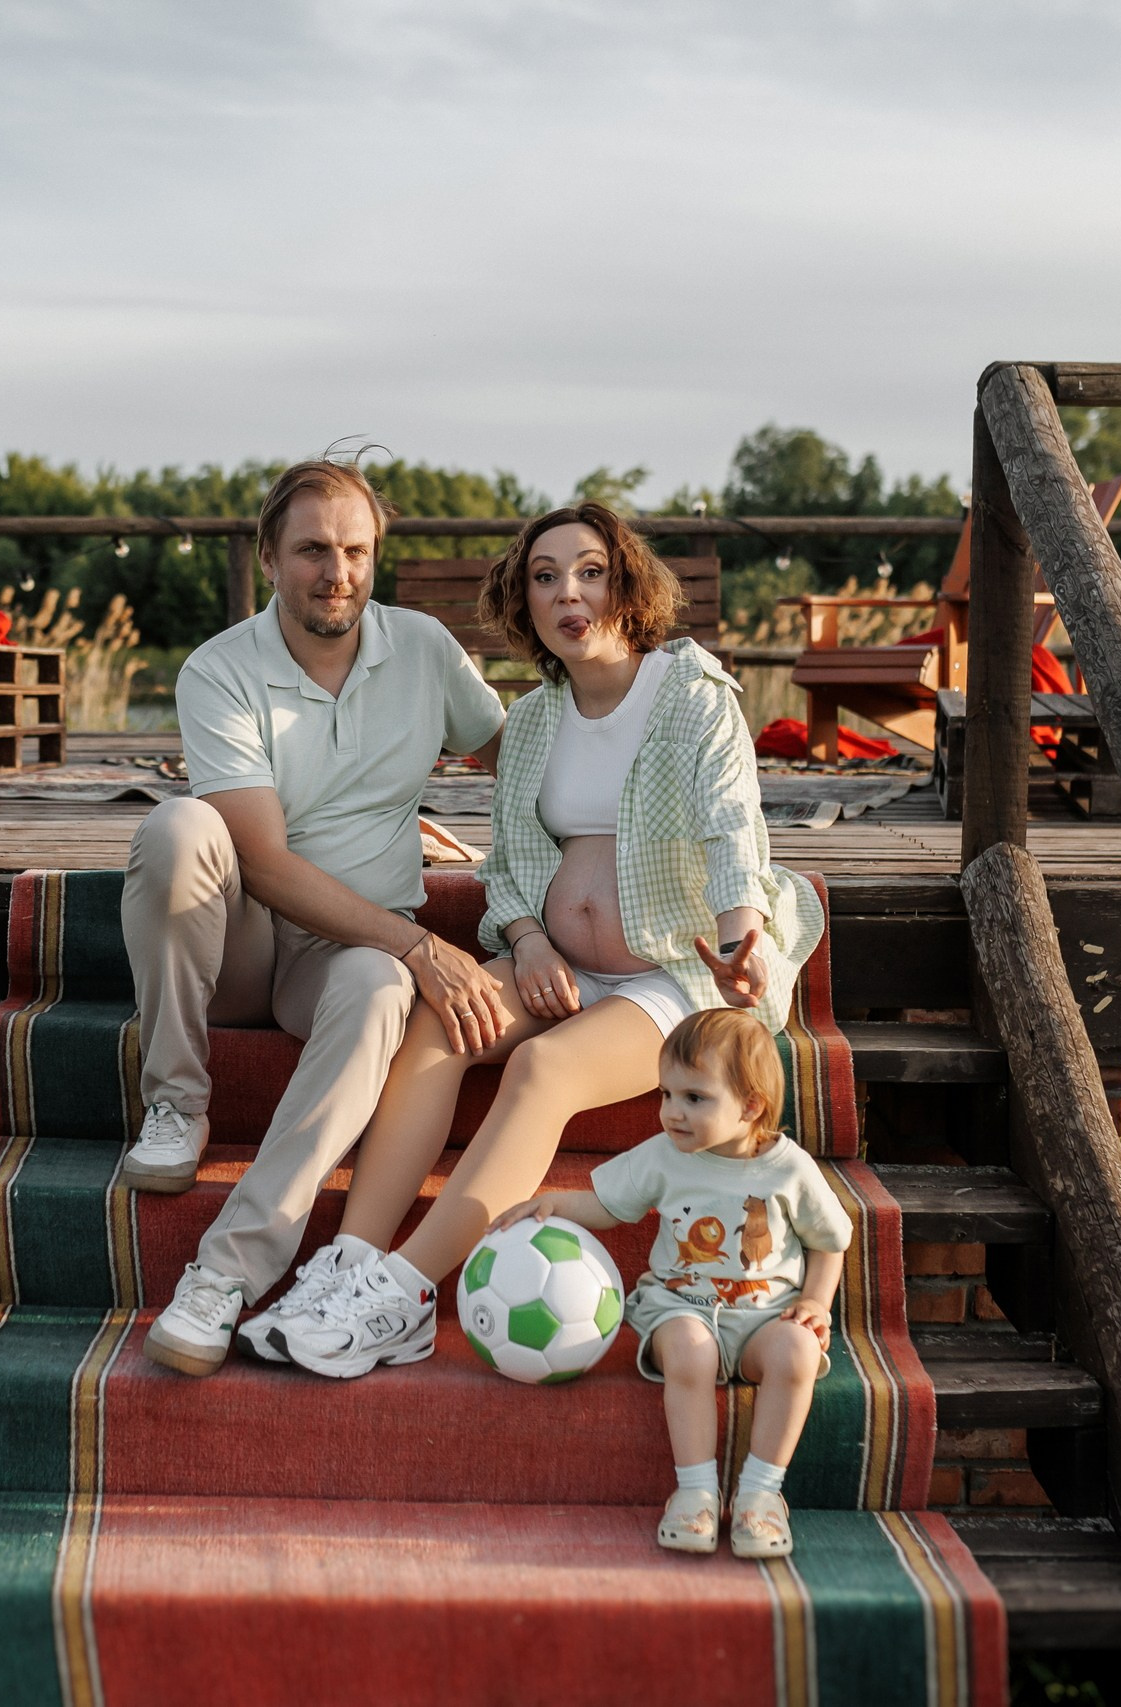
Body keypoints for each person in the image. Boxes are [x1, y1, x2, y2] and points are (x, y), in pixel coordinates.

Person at [254, 501, 825, 1378]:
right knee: (444, 1021)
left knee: (540, 1068)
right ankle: (352, 1262)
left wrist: (740, 931)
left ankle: (403, 1292)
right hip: (558, 965)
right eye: (546, 577)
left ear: (625, 583)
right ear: (526, 603)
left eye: (590, 571)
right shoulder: (531, 725)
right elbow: (513, 865)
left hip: (671, 970)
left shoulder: (691, 696)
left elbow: (730, 828)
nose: (570, 593)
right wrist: (525, 939)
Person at [128, 459, 511, 1376]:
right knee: (180, 829)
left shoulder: (423, 651)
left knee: (381, 986)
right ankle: (176, 1101)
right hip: (246, 946)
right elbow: (258, 860)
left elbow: (524, 760)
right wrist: (422, 942)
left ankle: (223, 1273)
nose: (335, 571)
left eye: (354, 549)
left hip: (345, 968)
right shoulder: (220, 670)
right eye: (311, 549)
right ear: (269, 557)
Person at [489, 1009, 850, 1559]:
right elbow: (609, 1207)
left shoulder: (789, 1169)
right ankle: (697, 1492)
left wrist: (816, 1303)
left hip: (762, 1319)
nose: (671, 1114)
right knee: (689, 1349)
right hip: (679, 1306)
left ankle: (759, 1495)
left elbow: (830, 1240)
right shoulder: (664, 1156)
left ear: (750, 1106)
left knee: (799, 1352)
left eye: (694, 1099)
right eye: (666, 1095)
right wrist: (555, 1202)